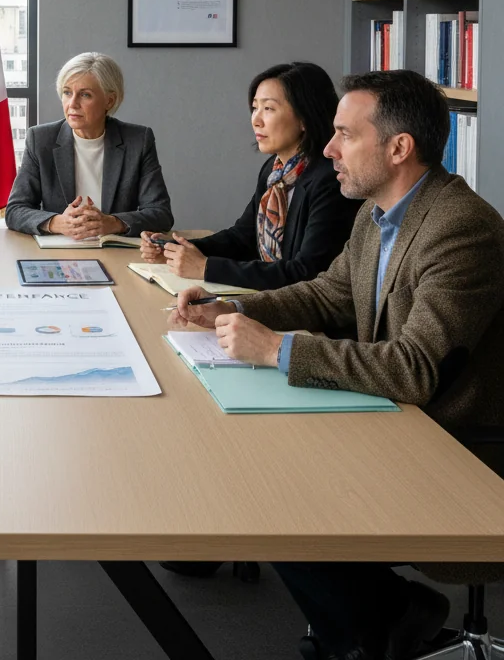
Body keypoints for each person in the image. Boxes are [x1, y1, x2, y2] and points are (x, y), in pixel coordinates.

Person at [173, 70, 504, 660]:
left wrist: (275, 349)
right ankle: (381, 619)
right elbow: (326, 295)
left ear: (398, 148)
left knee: (285, 493)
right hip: (396, 417)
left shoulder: (461, 230)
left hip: (457, 446)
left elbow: (414, 368)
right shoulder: (379, 213)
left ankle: (373, 628)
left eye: (344, 136)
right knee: (262, 467)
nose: (327, 151)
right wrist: (229, 306)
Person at [140, 62, 360, 290]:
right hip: (272, 298)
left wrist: (205, 268)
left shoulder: (331, 180)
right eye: (255, 107)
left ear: (304, 117)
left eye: (269, 108)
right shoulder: (274, 171)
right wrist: (174, 248)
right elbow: (243, 237)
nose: (256, 119)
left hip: (308, 315)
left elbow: (307, 272)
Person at [6, 52, 172, 237]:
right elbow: (15, 210)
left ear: (109, 100)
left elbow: (161, 214)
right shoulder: (41, 139)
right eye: (67, 92)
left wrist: (114, 223)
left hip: (115, 250)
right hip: (59, 251)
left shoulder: (138, 140)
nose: (72, 104)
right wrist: (56, 223)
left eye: (85, 95)